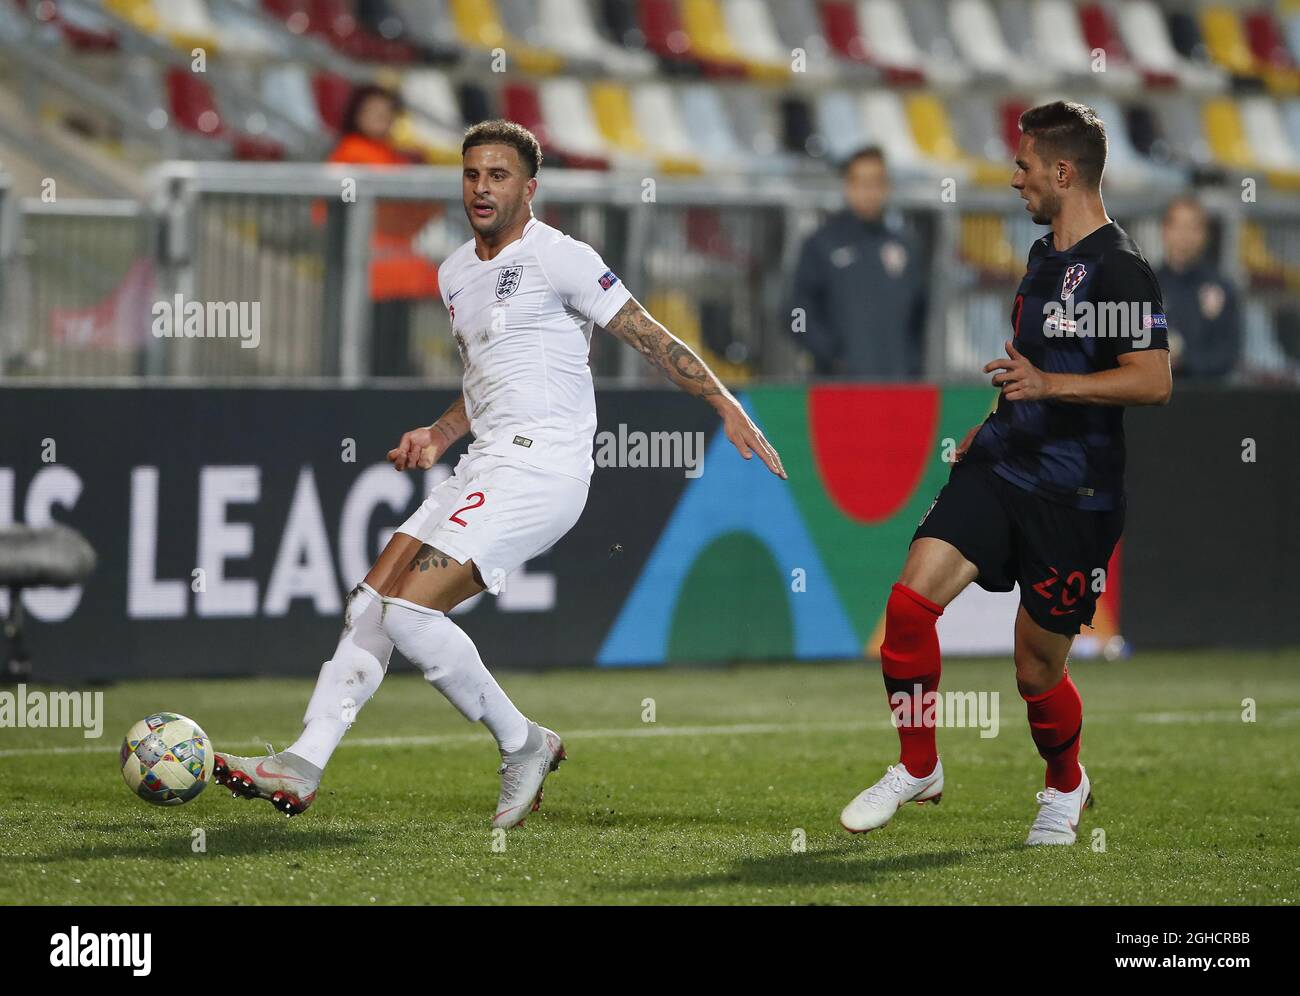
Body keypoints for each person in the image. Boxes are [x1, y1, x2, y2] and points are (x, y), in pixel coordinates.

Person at [214, 121, 786, 829]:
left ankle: (524, 744)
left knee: (412, 613)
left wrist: (725, 405)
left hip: (544, 463)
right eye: (472, 174)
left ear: (529, 188)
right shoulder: (455, 271)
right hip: (488, 456)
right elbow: (486, 379)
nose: (482, 188)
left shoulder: (561, 257)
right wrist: (440, 432)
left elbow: (650, 334)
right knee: (370, 605)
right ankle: (301, 763)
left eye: (499, 176)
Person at [839, 102, 1171, 845]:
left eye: (1024, 167)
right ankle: (918, 763)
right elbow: (1032, 371)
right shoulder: (1042, 258)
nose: (1013, 178)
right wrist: (991, 427)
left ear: (1062, 172)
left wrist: (1052, 388)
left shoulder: (1119, 269)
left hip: (1075, 494)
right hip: (1002, 466)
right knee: (908, 608)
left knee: (1035, 671)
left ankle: (1065, 785)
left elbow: (1150, 380)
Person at [324, 84, 440, 377]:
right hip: (364, 272)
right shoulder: (349, 153)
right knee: (368, 355)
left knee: (393, 355)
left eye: (386, 112)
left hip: (396, 270)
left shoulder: (395, 157)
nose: (380, 118)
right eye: (372, 111)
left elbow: (419, 209)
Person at [789, 146, 927, 378]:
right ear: (848, 186)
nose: (869, 191)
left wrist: (911, 363)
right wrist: (831, 356)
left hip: (898, 387)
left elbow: (919, 315)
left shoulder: (905, 246)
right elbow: (796, 313)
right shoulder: (822, 244)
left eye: (876, 182)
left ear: (887, 187)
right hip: (839, 389)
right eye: (862, 182)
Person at [1155, 196, 1241, 381]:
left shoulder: (1222, 288)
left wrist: (1184, 360)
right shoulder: (1143, 286)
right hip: (1154, 398)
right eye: (1177, 226)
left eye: (1193, 228)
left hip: (1207, 397)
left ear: (1205, 235)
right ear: (1164, 230)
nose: (1184, 236)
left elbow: (1228, 354)